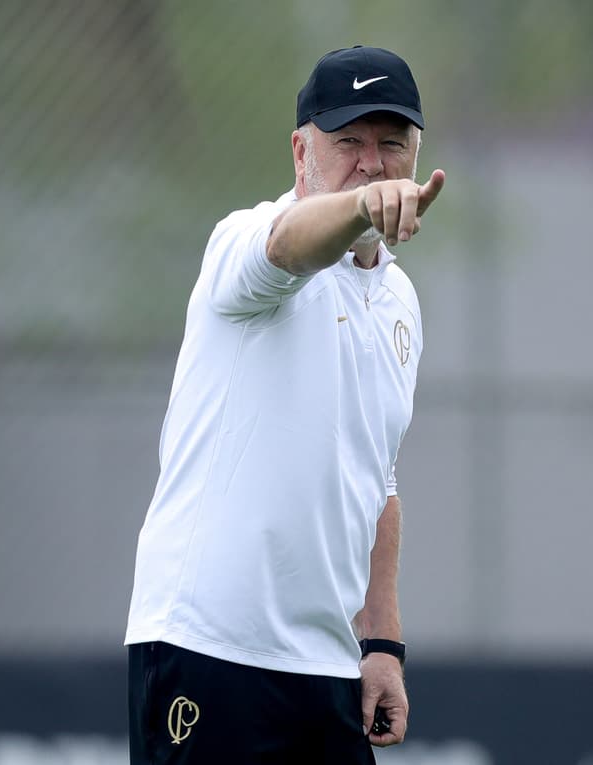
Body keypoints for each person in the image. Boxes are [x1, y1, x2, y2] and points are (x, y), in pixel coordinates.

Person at [125, 45, 445, 764]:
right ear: (301, 152)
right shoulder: (247, 242)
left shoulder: (400, 300)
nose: (372, 162)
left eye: (391, 144)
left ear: (417, 156)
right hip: (206, 648)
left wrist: (382, 644)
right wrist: (358, 209)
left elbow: (378, 483)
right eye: (348, 143)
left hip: (326, 667)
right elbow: (289, 245)